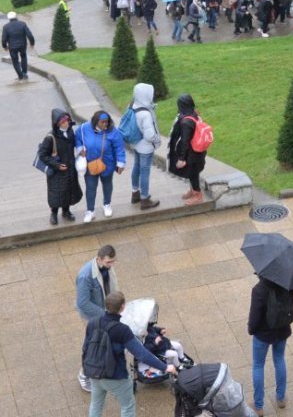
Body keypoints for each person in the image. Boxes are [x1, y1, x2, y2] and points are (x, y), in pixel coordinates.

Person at [85, 291, 175, 417]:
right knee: (127, 407)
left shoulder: (93, 322)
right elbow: (142, 354)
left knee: (96, 405)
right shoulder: (122, 330)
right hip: (115, 376)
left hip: (94, 372)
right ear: (122, 307)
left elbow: (86, 348)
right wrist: (165, 367)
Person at [248, 275, 293, 416]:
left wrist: (251, 329)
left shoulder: (259, 290)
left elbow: (255, 316)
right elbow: (290, 304)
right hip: (282, 329)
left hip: (262, 334)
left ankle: (259, 406)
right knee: (279, 359)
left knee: (258, 366)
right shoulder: (287, 283)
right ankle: (281, 398)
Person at [75, 245, 119, 392]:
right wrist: (104, 315)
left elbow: (111, 287)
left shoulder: (106, 267)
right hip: (92, 315)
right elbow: (83, 303)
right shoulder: (85, 276)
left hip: (104, 310)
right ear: (99, 259)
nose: (111, 265)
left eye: (113, 261)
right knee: (93, 344)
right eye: (108, 262)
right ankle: (84, 375)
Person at [77, 111, 126, 223]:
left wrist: (120, 163)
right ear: (95, 121)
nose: (105, 124)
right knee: (90, 187)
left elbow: (119, 148)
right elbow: (77, 137)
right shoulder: (84, 128)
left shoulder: (114, 131)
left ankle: (107, 204)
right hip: (90, 164)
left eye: (107, 122)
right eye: (102, 122)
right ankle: (90, 211)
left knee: (107, 184)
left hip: (107, 164)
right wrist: (80, 148)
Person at [39, 107, 82, 224]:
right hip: (57, 172)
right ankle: (53, 213)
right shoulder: (50, 137)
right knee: (56, 193)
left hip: (70, 169)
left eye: (67, 120)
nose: (66, 123)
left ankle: (66, 211)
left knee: (68, 191)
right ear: (57, 123)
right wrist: (57, 165)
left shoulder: (70, 131)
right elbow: (42, 155)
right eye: (63, 122)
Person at [127, 83, 161, 211]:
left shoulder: (132, 105)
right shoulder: (145, 113)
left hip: (135, 143)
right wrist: (156, 140)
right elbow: (149, 135)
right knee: (145, 172)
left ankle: (135, 193)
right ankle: (145, 199)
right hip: (145, 147)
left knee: (136, 167)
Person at [167, 93, 205, 205]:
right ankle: (193, 190)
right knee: (192, 172)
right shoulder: (194, 114)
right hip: (196, 150)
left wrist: (182, 158)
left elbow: (185, 141)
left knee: (192, 173)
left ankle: (198, 195)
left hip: (191, 153)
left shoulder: (186, 122)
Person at [2, 10, 35, 80]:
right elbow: (29, 35)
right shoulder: (22, 24)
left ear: (9, 18)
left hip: (12, 47)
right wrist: (32, 43)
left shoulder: (6, 27)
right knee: (23, 57)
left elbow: (4, 39)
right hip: (22, 45)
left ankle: (20, 75)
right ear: (16, 16)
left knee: (15, 60)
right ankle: (24, 73)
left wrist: (4, 46)